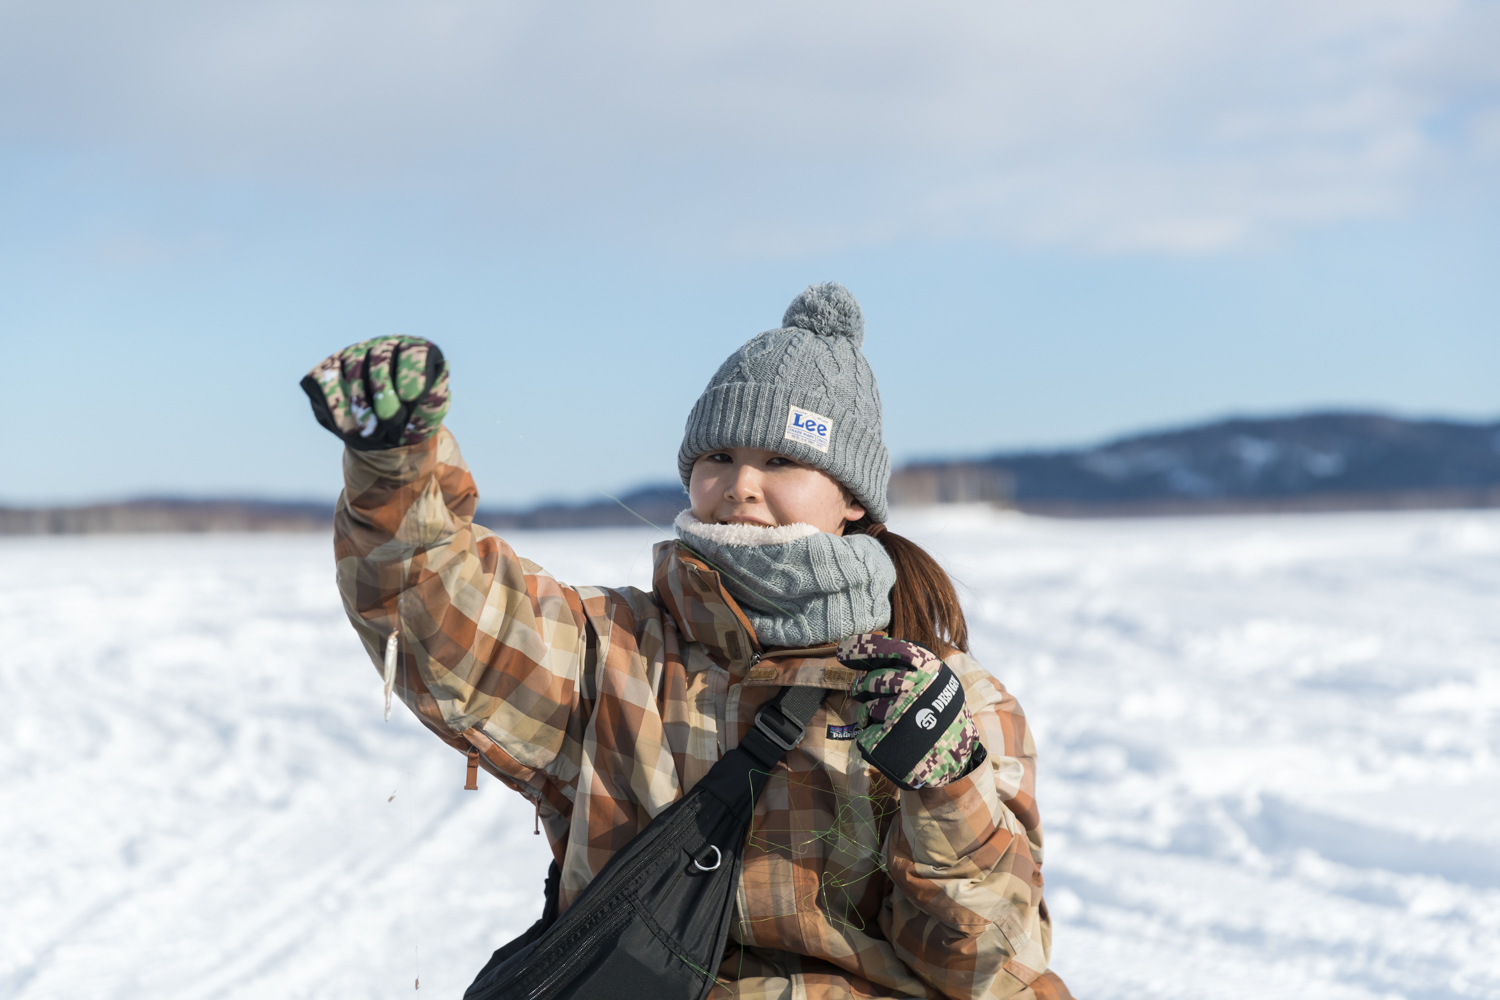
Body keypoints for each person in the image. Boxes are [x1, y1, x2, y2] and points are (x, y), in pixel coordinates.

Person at [300, 283, 1071, 999]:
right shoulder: (616, 651)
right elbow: (446, 618)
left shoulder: (952, 699)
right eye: (719, 458)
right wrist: (394, 467)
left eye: (784, 461)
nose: (741, 483)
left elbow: (994, 970)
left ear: (854, 502)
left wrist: (948, 787)